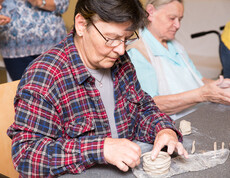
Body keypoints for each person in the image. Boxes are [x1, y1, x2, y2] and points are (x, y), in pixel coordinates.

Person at [7, 0, 188, 177]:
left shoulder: (119, 60)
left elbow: (142, 109)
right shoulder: (45, 75)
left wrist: (163, 129)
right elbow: (26, 156)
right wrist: (101, 148)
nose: (121, 50)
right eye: (112, 39)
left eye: (126, 39)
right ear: (81, 25)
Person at [127, 0, 230, 120]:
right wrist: (203, 94)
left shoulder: (176, 45)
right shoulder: (138, 50)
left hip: (197, 115)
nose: (178, 25)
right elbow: (149, 104)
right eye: (172, 18)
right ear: (151, 12)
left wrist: (218, 85)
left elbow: (198, 79)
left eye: (180, 19)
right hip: (170, 125)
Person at [0, 0, 69, 81]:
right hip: (14, 47)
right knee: (23, 90)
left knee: (58, 87)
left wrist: (39, 2)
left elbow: (63, 4)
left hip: (52, 45)